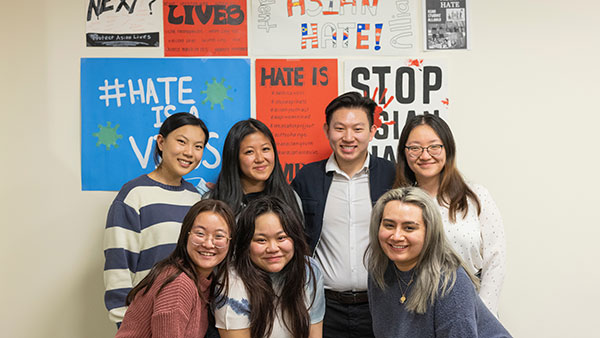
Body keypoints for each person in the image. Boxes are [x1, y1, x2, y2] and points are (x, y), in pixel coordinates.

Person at [292, 92, 395, 338]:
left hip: (382, 303)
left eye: (358, 129)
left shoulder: (392, 174)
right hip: (324, 307)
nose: (348, 137)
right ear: (327, 130)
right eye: (340, 128)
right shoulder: (308, 178)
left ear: (372, 131)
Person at [103, 112, 209, 326]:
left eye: (198, 146)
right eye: (181, 142)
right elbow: (118, 265)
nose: (189, 153)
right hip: (142, 321)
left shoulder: (195, 198)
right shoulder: (134, 195)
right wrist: (125, 323)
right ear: (161, 142)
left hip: (185, 321)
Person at [393, 114, 506, 314]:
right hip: (416, 309)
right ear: (404, 153)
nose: (425, 155)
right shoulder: (398, 205)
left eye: (434, 147)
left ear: (448, 149)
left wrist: (483, 316)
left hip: (471, 307)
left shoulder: (476, 197)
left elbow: (495, 260)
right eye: (415, 148)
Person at [365, 187, 512, 337]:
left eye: (409, 228)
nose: (396, 236)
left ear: (430, 232)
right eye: (389, 225)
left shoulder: (450, 284)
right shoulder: (379, 271)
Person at [116, 199, 235, 337]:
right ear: (186, 235)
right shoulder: (178, 284)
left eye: (219, 236)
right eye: (200, 234)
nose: (208, 244)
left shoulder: (206, 281)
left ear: (230, 242)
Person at [215, 196, 325, 338]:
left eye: (281, 238)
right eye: (261, 240)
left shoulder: (310, 271)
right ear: (245, 243)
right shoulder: (232, 280)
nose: (273, 248)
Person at [208, 118, 301, 219]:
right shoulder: (213, 202)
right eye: (249, 152)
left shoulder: (290, 197)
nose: (260, 159)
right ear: (234, 157)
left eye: (265, 149)